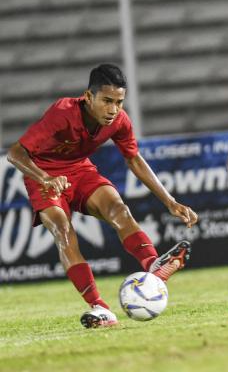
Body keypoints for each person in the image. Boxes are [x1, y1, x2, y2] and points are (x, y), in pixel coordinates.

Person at [6, 64, 198, 327]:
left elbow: (134, 159)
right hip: (43, 175)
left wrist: (170, 201)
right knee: (63, 231)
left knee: (119, 210)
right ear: (88, 96)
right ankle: (100, 308)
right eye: (107, 101)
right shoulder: (63, 113)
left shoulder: (119, 121)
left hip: (79, 169)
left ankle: (153, 266)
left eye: (119, 102)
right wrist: (45, 178)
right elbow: (16, 153)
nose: (113, 109)